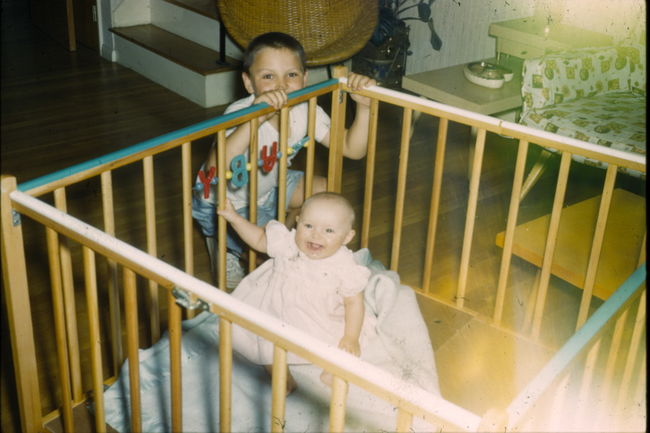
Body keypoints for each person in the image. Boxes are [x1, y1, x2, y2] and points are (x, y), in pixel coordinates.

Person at [192, 31, 377, 288]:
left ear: (304, 78)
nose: (281, 84)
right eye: (268, 76)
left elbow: (350, 148)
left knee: (322, 193)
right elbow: (214, 168)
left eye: (291, 75)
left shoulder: (305, 108)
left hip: (270, 186)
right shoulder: (239, 113)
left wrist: (365, 108)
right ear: (248, 83)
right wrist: (254, 121)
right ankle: (225, 249)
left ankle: (286, 238)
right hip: (225, 200)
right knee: (259, 261)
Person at [217, 192, 371, 390]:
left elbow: (354, 302)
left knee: (344, 347)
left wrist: (351, 336)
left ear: (347, 237)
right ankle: (282, 378)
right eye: (308, 226)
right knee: (266, 340)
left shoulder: (343, 266)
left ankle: (335, 370)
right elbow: (258, 239)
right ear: (297, 222)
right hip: (277, 309)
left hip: (320, 318)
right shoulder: (288, 243)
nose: (316, 235)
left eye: (329, 230)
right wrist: (234, 218)